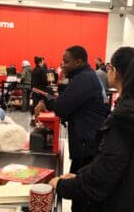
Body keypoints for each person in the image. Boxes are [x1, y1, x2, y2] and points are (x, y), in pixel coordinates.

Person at [48, 47, 134, 212]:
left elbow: (101, 179)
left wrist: (61, 185)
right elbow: (113, 163)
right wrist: (80, 175)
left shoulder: (125, 119)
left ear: (115, 72)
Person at [35, 45, 110, 212]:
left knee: (81, 197)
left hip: (87, 147)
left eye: (66, 62)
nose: (63, 65)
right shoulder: (87, 76)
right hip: (90, 143)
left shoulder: (83, 78)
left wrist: (46, 100)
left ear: (79, 61)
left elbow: (62, 107)